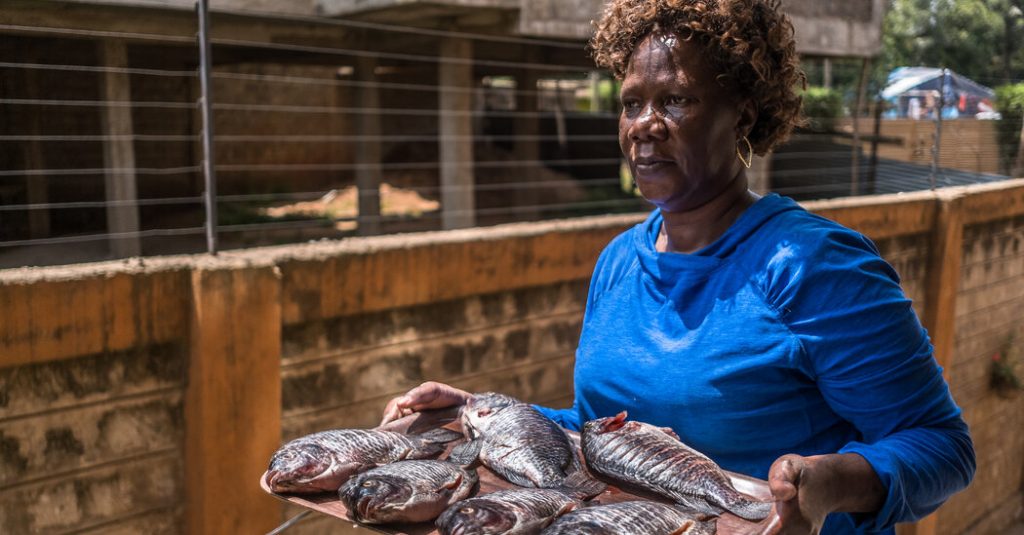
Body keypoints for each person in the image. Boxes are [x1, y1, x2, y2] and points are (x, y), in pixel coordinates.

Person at [381, 1, 976, 533]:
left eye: (676, 100)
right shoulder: (619, 262)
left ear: (742, 117)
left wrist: (830, 485)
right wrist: (488, 413)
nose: (644, 124)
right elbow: (607, 432)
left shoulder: (813, 265)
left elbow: (943, 446)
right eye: (632, 103)